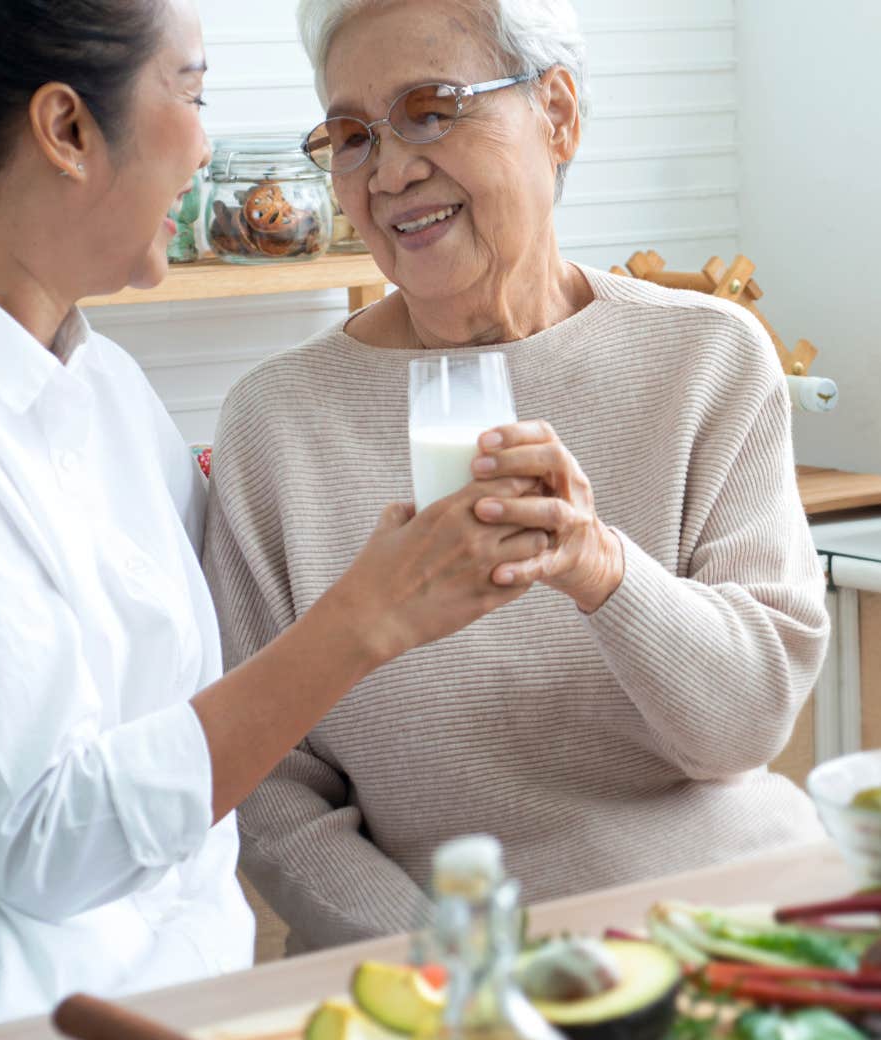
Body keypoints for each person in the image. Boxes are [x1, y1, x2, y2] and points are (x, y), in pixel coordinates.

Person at [0, 0, 544, 1040]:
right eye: (191, 93)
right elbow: (43, 841)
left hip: (174, 1026)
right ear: (67, 130)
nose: (208, 146)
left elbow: (238, 641)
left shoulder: (96, 380)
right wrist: (362, 621)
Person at [208, 0, 828, 953]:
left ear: (560, 114)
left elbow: (745, 728)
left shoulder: (706, 357)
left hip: (724, 931)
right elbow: (271, 790)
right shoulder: (275, 422)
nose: (391, 170)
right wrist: (462, 961)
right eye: (353, 136)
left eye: (432, 108)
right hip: (439, 976)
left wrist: (601, 569)